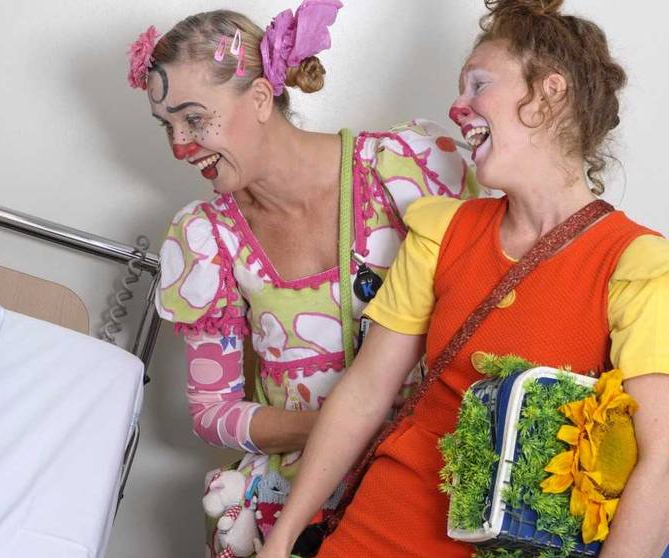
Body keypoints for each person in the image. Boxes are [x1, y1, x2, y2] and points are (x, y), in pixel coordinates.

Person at [259, 1, 669, 556]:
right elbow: (365, 394)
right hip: (378, 528)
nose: (458, 108)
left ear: (550, 94)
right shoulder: (443, 231)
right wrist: (283, 538)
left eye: (479, 84)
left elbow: (660, 464)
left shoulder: (637, 265)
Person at [127, 2, 478, 555]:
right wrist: (338, 428)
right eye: (166, 126)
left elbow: (491, 300)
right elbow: (212, 412)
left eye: (194, 119)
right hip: (287, 497)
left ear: (260, 98)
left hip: (420, 480)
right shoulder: (204, 237)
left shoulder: (404, 167)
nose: (179, 146)